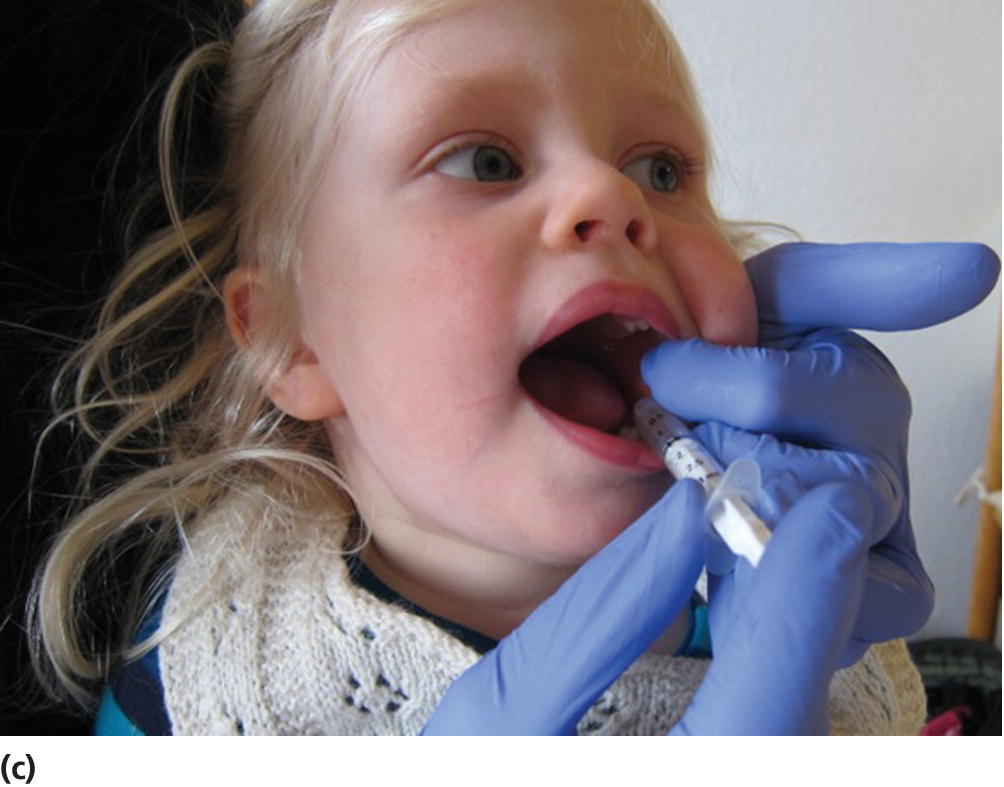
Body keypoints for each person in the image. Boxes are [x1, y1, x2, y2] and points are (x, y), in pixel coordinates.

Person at [28, 0, 998, 735]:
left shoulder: (813, 610)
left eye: (661, 169)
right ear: (292, 339)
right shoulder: (209, 677)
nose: (611, 195)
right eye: (483, 161)